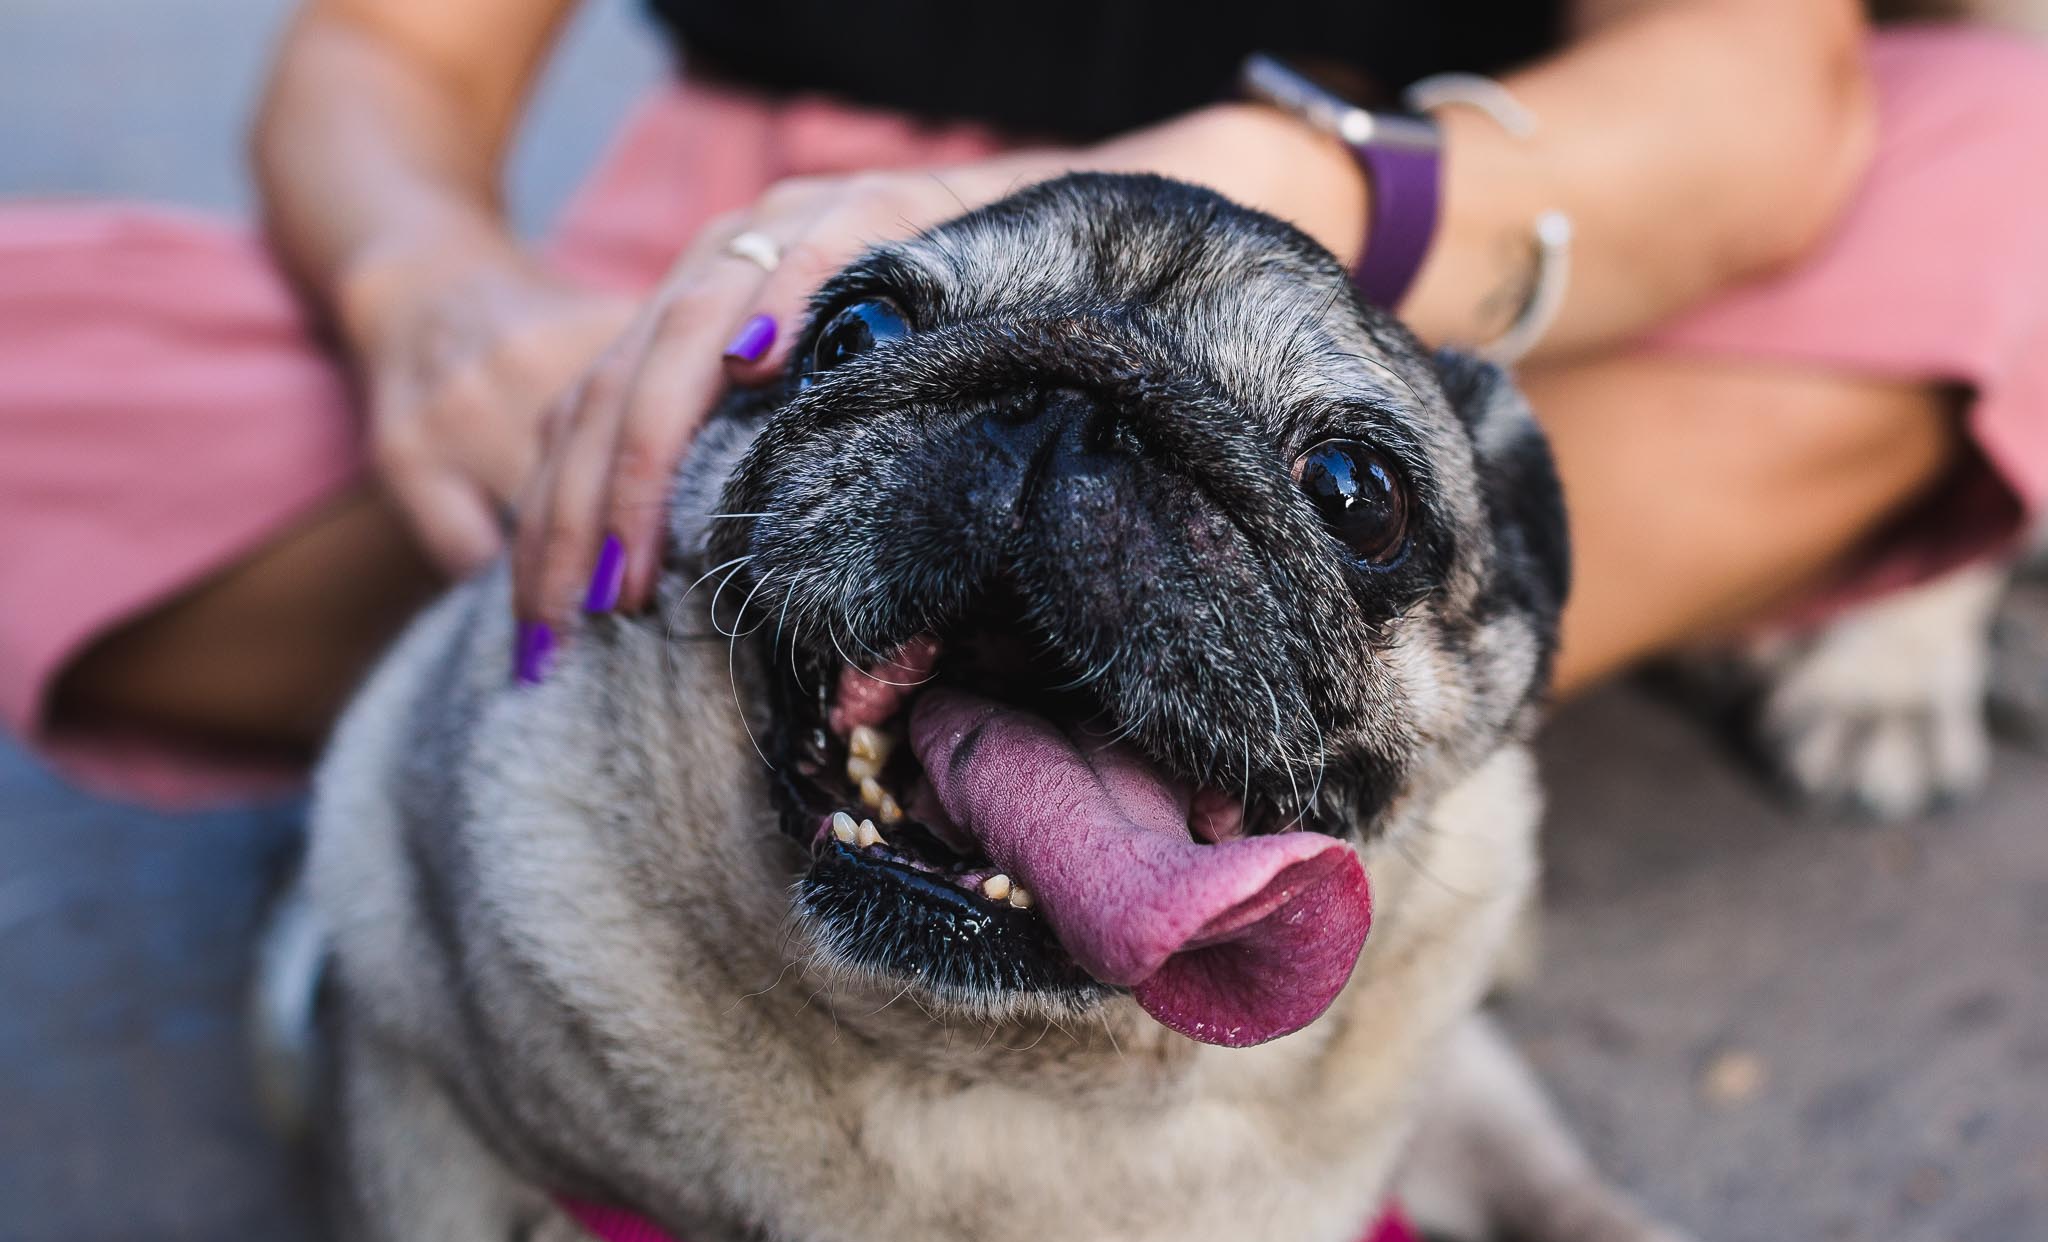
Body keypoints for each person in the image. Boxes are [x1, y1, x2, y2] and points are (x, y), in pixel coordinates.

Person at [2, 0, 2043, 805]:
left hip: (1395, 229)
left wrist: (1154, 223)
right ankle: (1198, 696)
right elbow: (384, 54)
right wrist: (431, 302)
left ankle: (669, 701)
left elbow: (1746, 104)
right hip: (778, 269)